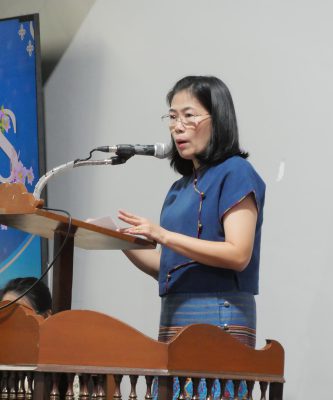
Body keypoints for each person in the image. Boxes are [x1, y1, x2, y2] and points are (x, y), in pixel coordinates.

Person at [118, 76, 265, 398]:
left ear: (218, 119)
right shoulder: (179, 189)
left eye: (189, 116)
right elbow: (170, 267)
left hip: (219, 313)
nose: (177, 127)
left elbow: (238, 253)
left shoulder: (236, 171)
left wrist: (163, 235)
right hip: (175, 314)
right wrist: (119, 241)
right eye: (172, 117)